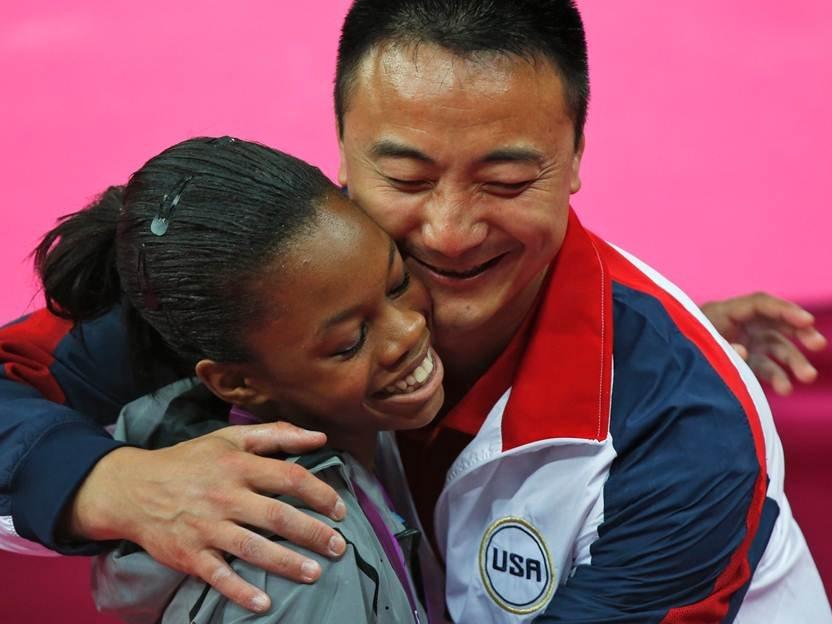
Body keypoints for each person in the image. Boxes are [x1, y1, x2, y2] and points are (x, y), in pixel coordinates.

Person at [0, 0, 828, 620]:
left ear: (577, 153)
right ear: (342, 149)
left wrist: (657, 343)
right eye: (407, 179)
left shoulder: (683, 436)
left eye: (506, 181)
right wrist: (112, 484)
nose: (451, 233)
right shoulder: (259, 285)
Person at [35, 135, 441, 622]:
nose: (408, 330)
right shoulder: (299, 566)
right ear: (236, 384)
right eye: (350, 341)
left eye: (397, 283)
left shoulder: (352, 427)